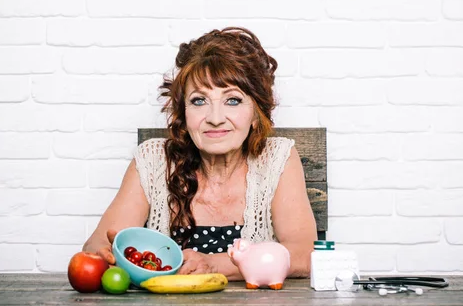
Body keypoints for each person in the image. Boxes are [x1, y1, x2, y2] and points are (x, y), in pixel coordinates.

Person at [83, 27, 317, 281]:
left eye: (233, 100)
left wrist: (213, 264)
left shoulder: (277, 158)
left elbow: (304, 255)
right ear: (184, 113)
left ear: (255, 112)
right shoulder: (152, 160)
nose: (215, 119)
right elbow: (96, 248)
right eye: (199, 101)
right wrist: (108, 255)